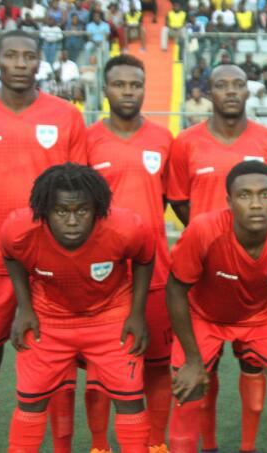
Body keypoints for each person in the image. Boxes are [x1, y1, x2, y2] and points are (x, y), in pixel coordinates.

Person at [0, 31, 87, 453]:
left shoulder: (67, 116)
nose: (19, 63)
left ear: (40, 63)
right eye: (10, 55)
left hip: (53, 263)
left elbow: (80, 195)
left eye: (28, 56)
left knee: (59, 367)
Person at [166, 64, 267, 453]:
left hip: (256, 275)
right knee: (204, 368)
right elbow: (180, 200)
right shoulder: (185, 142)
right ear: (208, 92)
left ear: (247, 92)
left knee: (254, 366)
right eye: (221, 85)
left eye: (238, 85)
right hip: (203, 274)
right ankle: (210, 446)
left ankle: (247, 447)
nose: (230, 91)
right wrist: (213, 240)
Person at [2, 163, 155, 453]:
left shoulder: (127, 228)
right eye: (61, 211)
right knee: (30, 401)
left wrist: (136, 313)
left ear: (97, 209)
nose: (72, 221)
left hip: (111, 317)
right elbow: (10, 255)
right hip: (49, 318)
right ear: (44, 210)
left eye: (82, 211)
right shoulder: (18, 229)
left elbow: (145, 258)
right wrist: (24, 308)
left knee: (131, 399)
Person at [166, 161, 267, 453]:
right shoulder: (203, 230)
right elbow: (175, 290)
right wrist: (194, 361)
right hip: (205, 317)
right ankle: (208, 446)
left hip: (264, 316)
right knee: (187, 393)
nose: (256, 204)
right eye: (245, 195)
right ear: (229, 202)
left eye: (265, 194)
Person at [84, 55, 175, 452]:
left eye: (135, 85)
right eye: (119, 84)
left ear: (144, 89)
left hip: (155, 270)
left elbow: (172, 197)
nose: (127, 92)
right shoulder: (87, 140)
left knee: (157, 364)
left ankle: (155, 444)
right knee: (101, 369)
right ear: (105, 90)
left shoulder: (162, 139)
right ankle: (100, 445)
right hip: (100, 274)